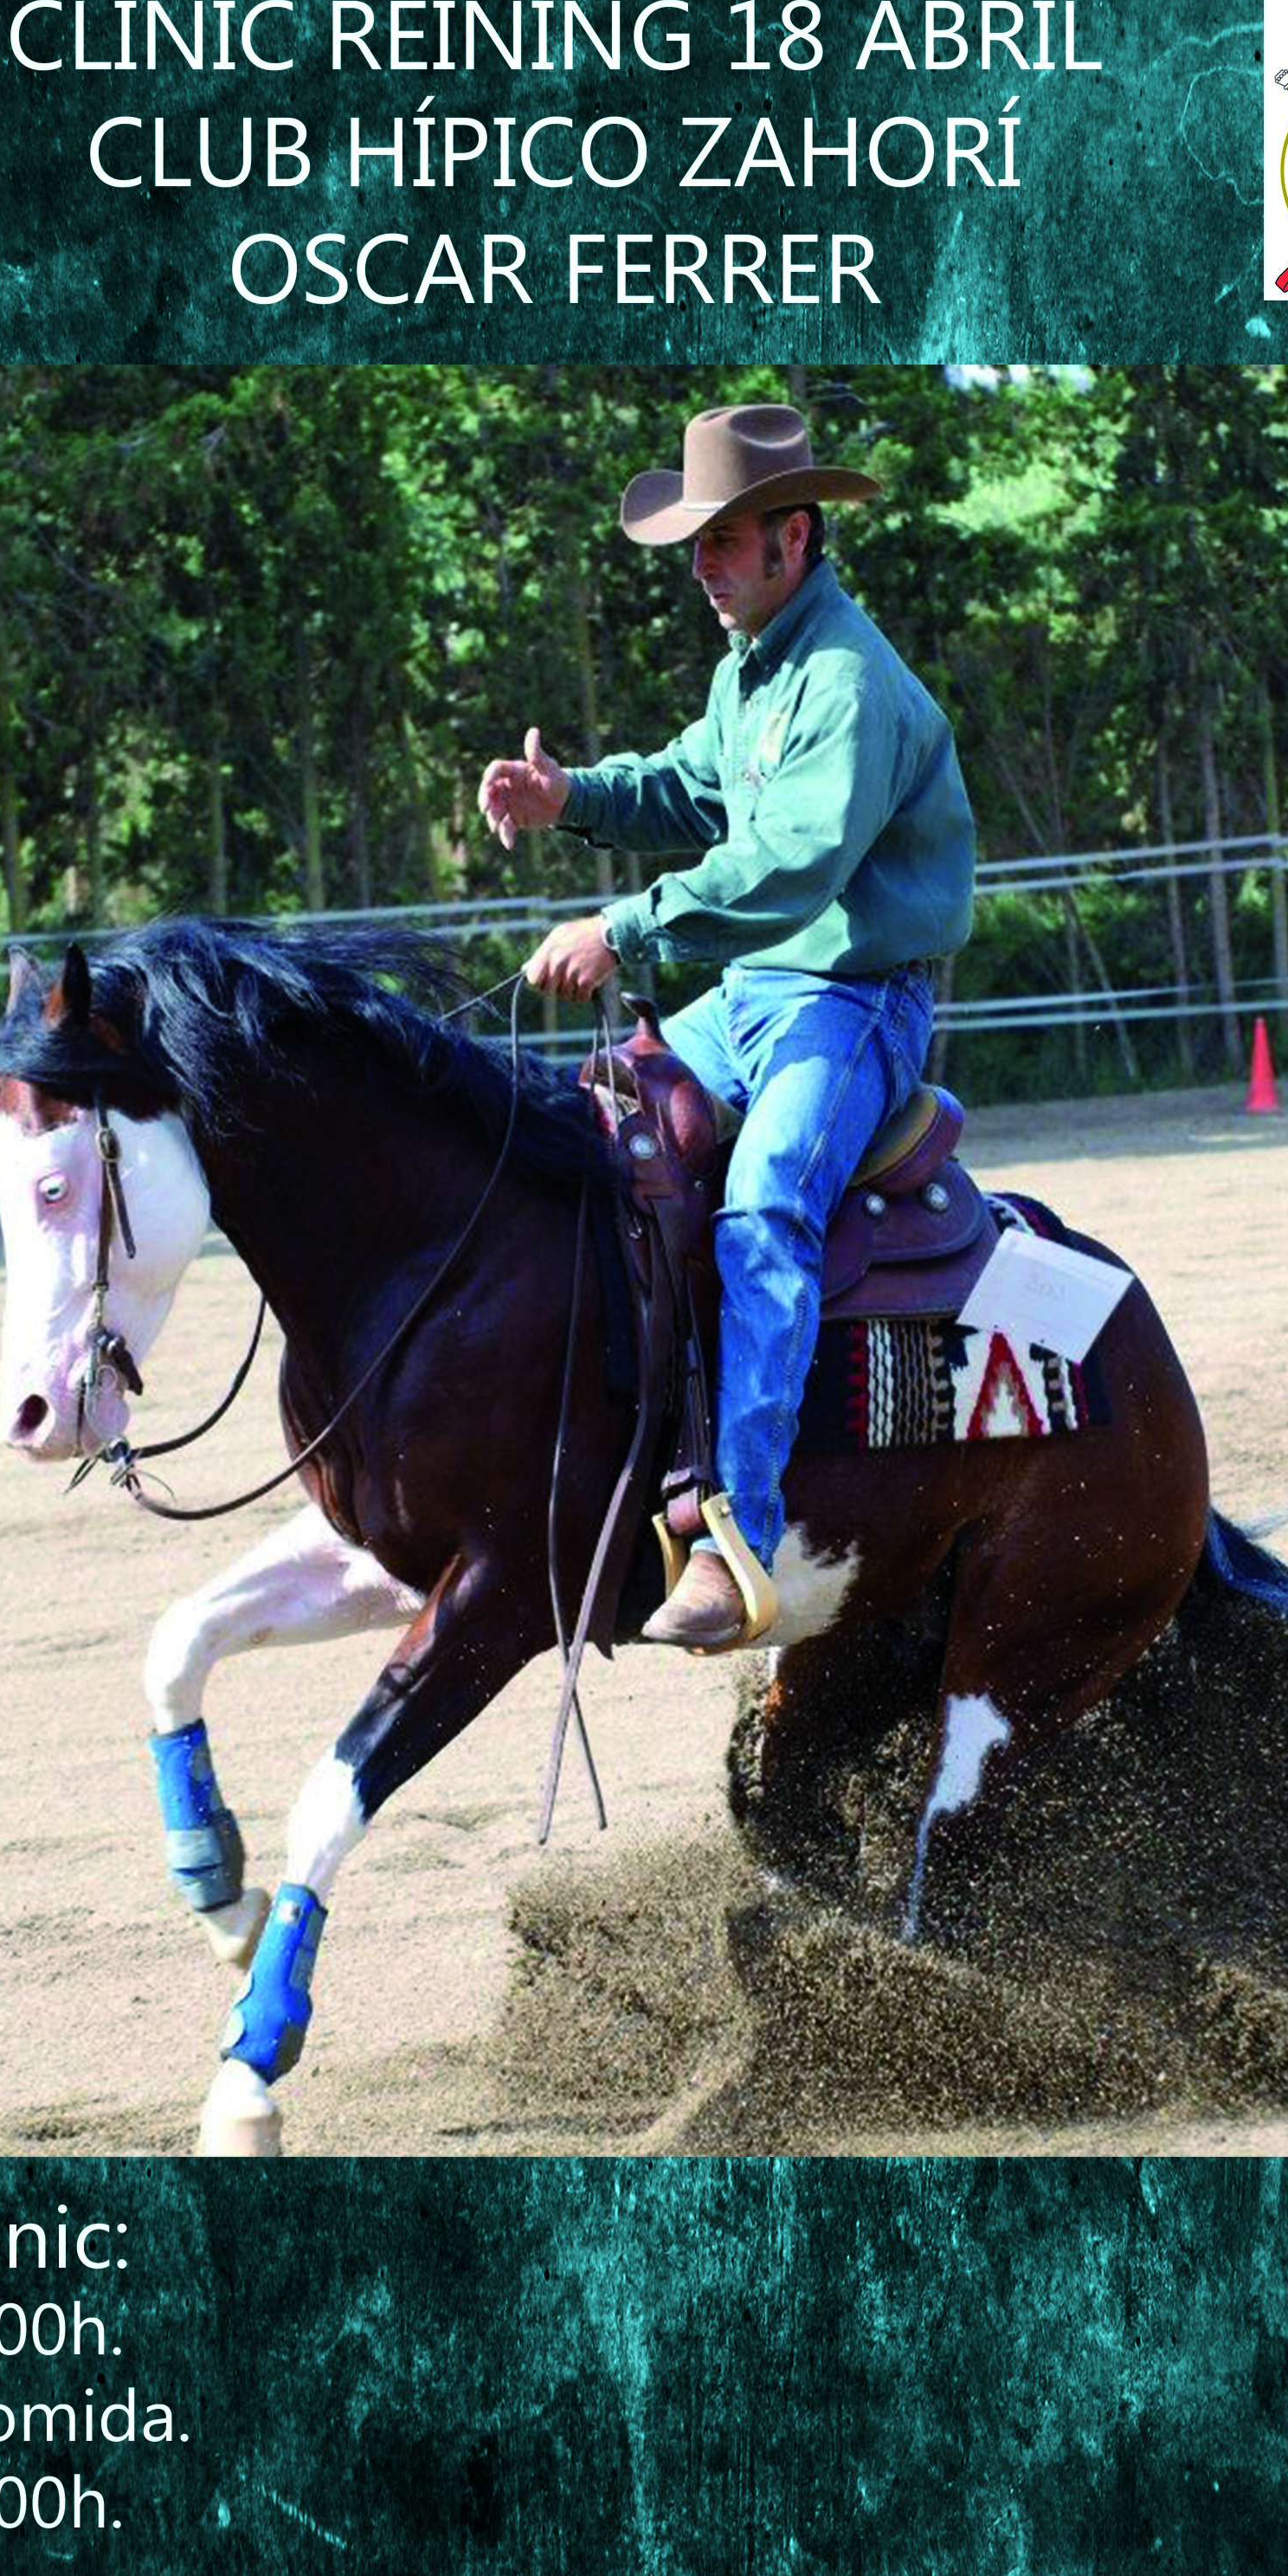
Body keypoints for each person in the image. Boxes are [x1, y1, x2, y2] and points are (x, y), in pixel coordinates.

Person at [478, 401, 976, 1651]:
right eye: (695, 542)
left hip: (853, 1003)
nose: (701, 564)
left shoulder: (849, 682)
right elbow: (690, 784)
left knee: (762, 1208)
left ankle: (736, 1535)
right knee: (590, 1128)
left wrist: (625, 929)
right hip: (755, 996)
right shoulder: (753, 666)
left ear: (793, 537)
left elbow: (793, 867)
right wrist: (571, 795)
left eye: (723, 539)